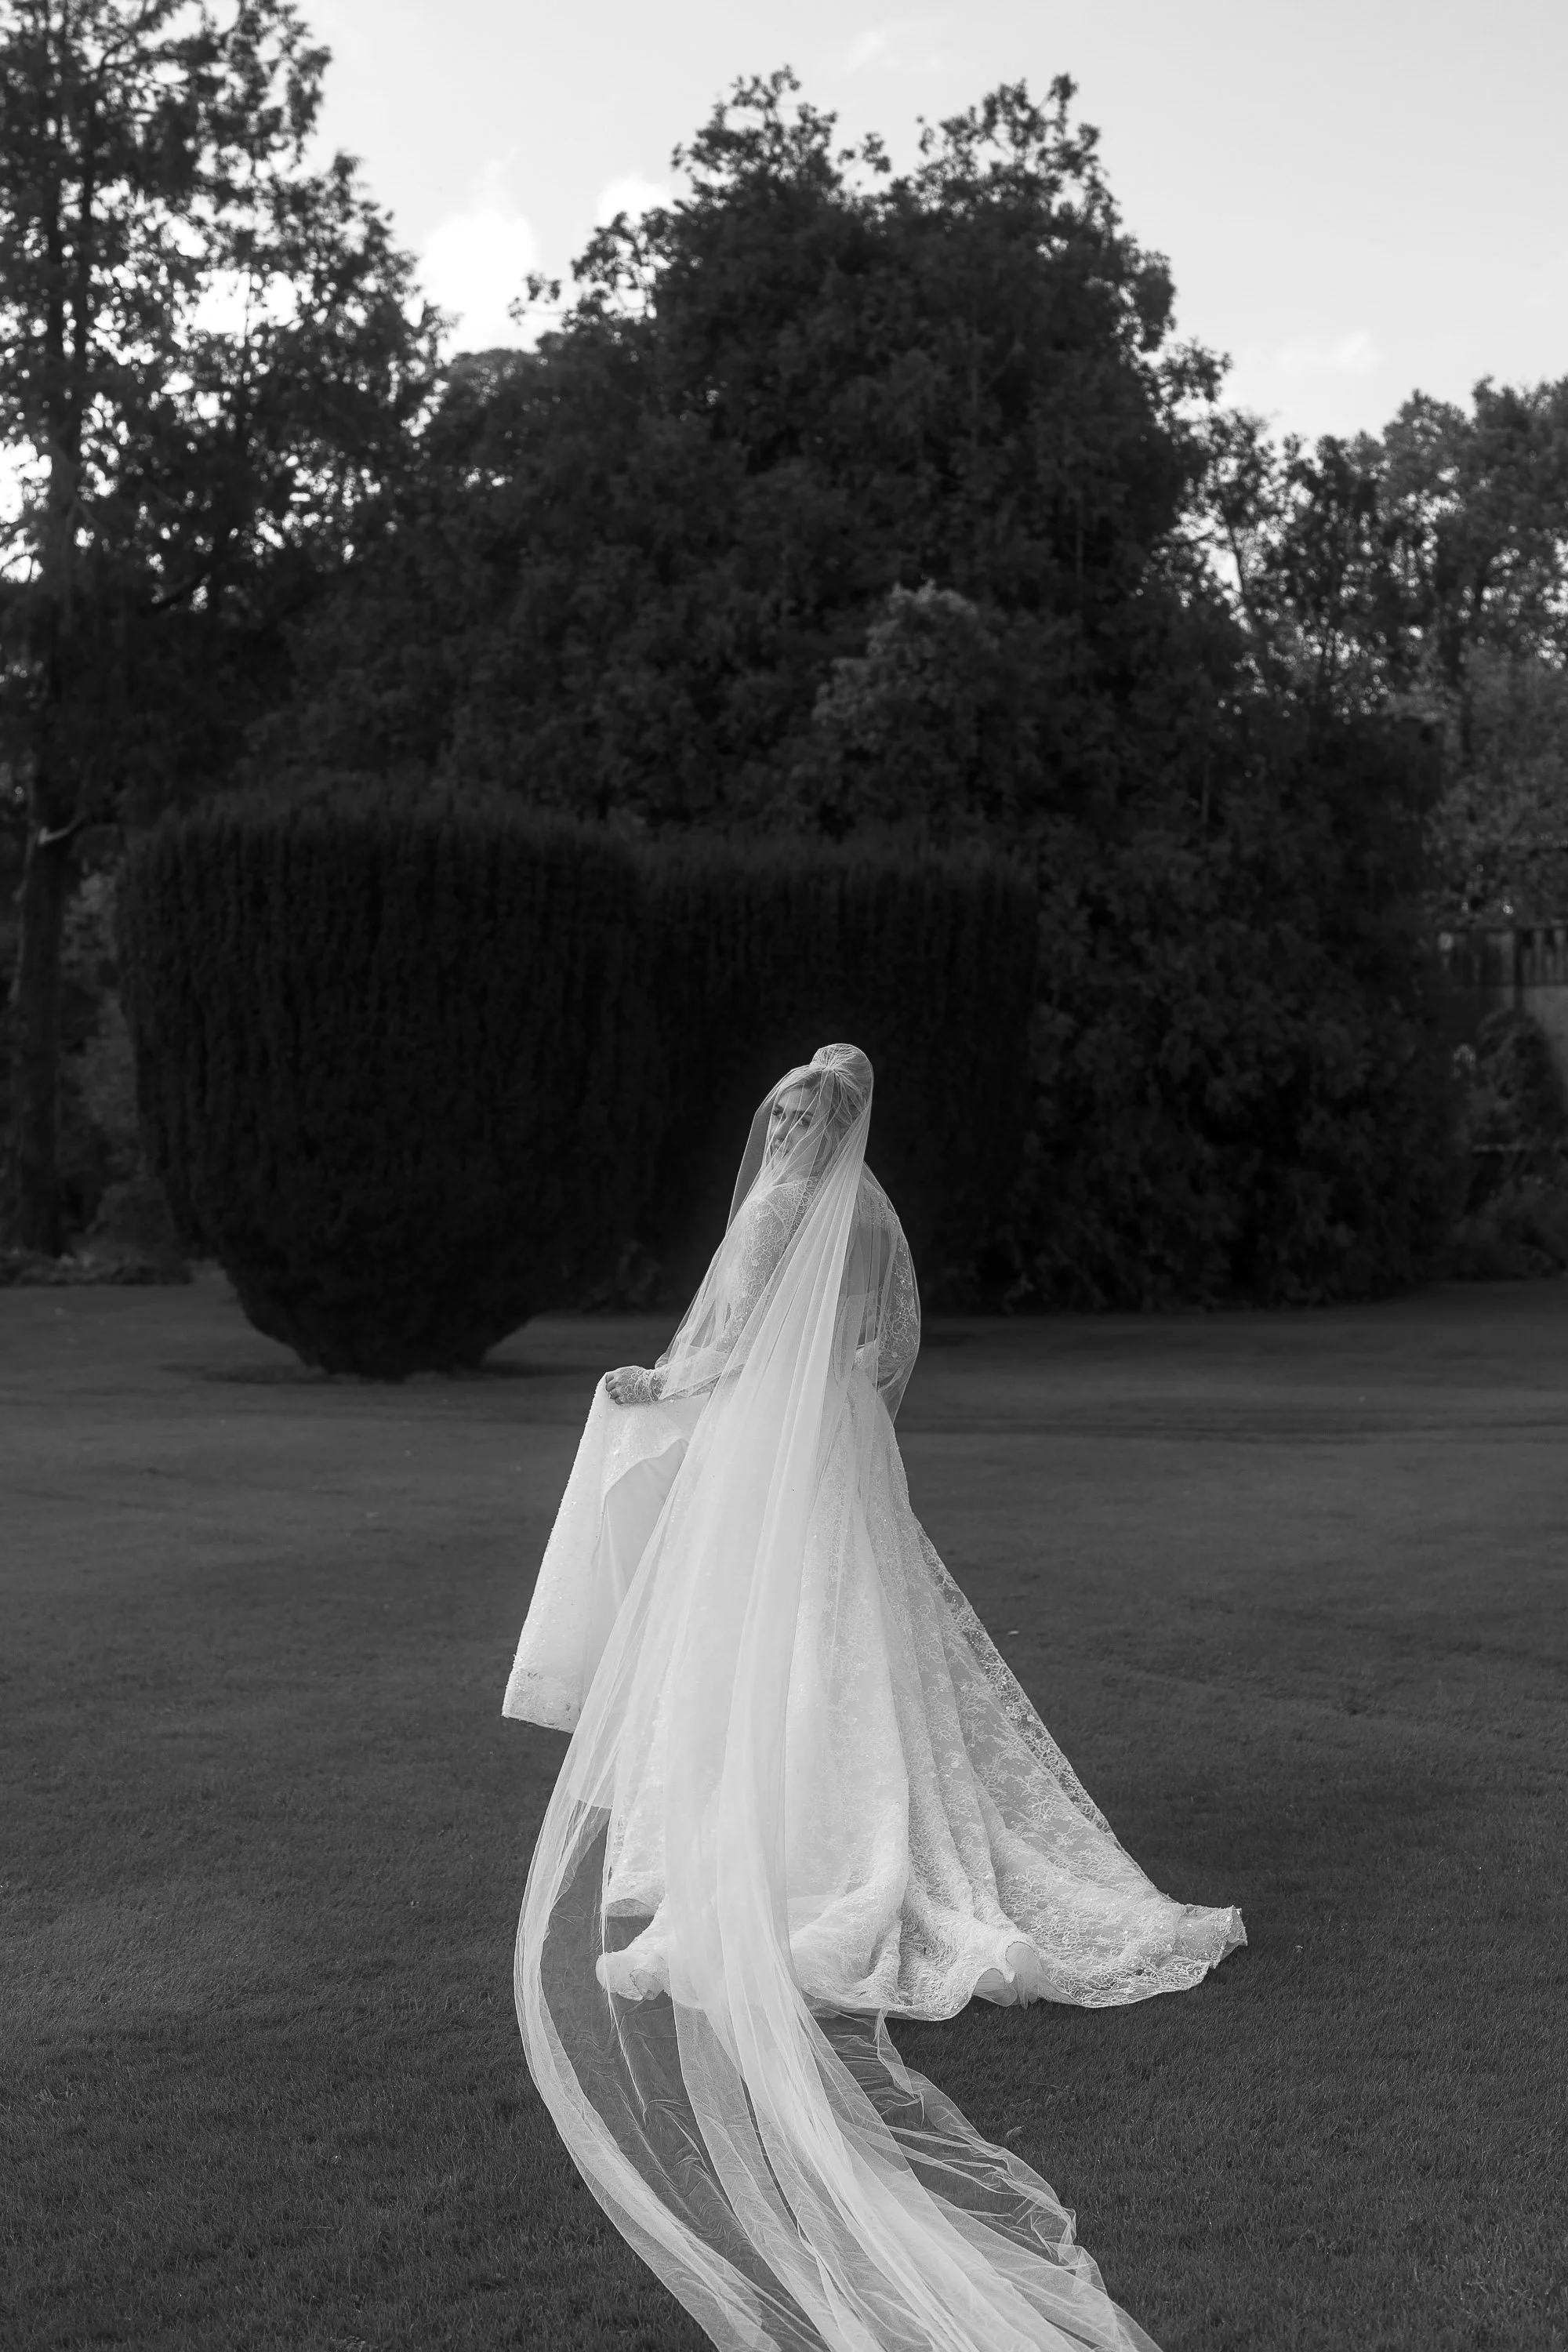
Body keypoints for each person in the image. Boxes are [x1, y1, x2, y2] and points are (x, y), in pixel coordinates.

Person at [504, 1045, 1244, 2352]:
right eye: (783, 1112)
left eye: (794, 1113)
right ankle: (867, 1822)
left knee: (769, 1635)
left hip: (770, 1448)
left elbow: (723, 1337)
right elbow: (893, 1341)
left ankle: (796, 1844)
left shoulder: (786, 1205)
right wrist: (838, 1396)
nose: (784, 1129)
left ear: (811, 1120)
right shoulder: (875, 1205)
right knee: (848, 1636)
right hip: (841, 1441)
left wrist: (649, 1387)